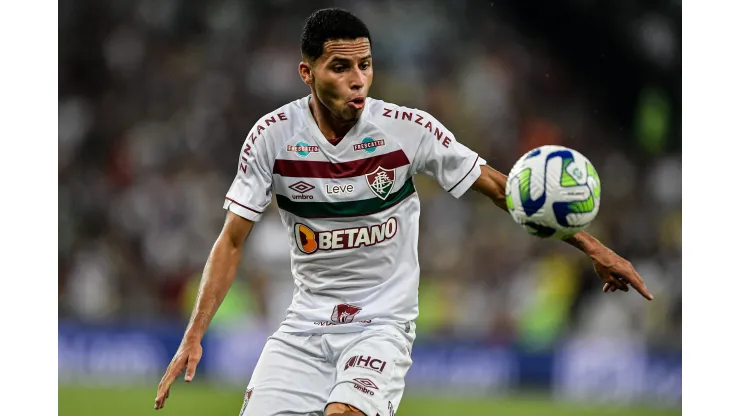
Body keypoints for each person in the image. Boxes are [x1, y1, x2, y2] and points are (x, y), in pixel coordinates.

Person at [154, 8, 652, 416]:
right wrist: (193, 334)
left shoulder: (406, 129)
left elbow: (504, 189)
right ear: (307, 73)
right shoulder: (272, 137)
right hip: (305, 325)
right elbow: (233, 240)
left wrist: (594, 246)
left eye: (365, 66)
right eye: (341, 68)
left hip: (381, 325)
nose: (358, 80)